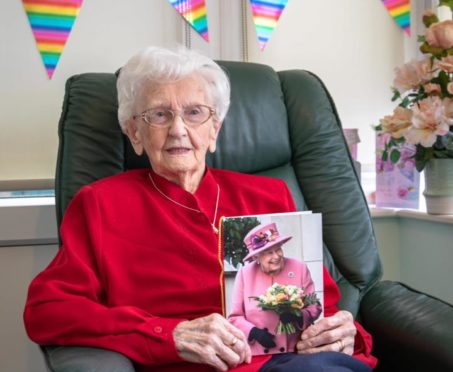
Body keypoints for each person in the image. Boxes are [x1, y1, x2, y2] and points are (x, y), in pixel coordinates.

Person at [24, 46, 377, 372]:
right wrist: (167, 334)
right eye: (159, 115)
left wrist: (343, 332)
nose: (178, 129)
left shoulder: (271, 194)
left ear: (214, 130)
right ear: (134, 133)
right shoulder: (101, 204)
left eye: (194, 113)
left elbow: (321, 308)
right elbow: (48, 311)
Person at [228, 222, 323, 356]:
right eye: (269, 252)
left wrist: (299, 317)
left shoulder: (299, 268)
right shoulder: (245, 274)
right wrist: (254, 332)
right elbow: (235, 317)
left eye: (278, 249)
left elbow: (314, 306)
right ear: (256, 257)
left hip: (295, 350)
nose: (277, 256)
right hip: (258, 352)